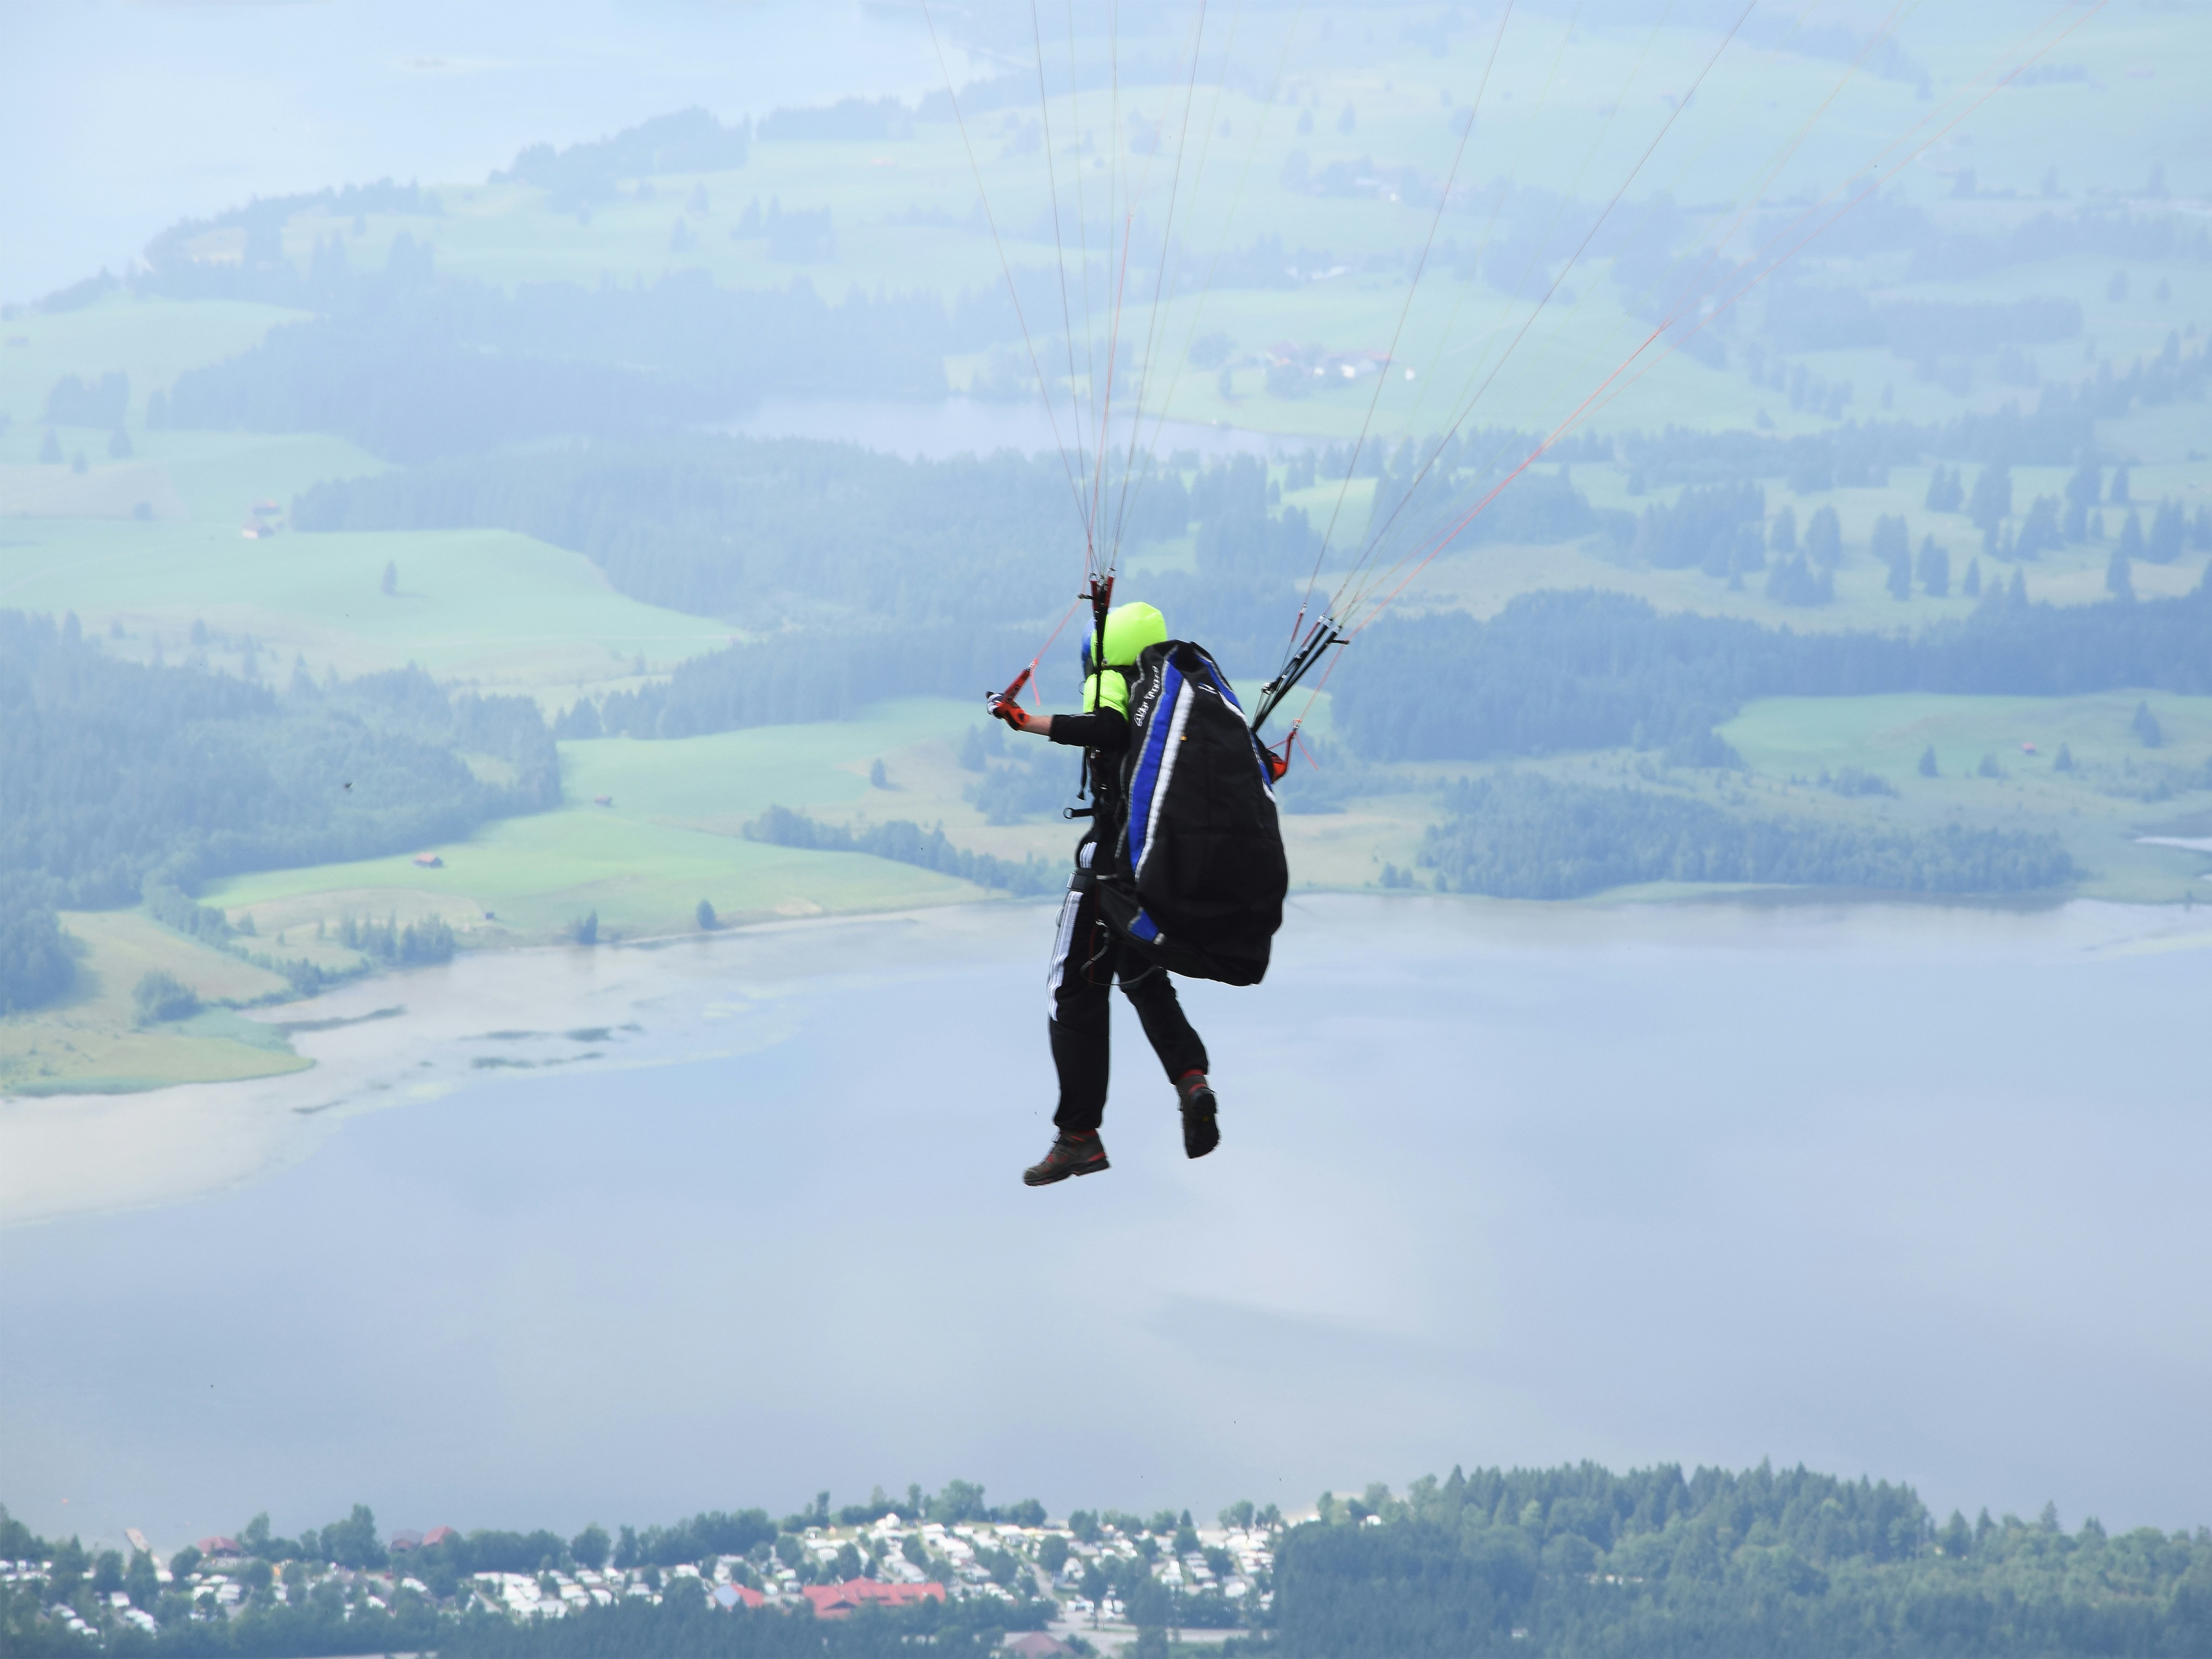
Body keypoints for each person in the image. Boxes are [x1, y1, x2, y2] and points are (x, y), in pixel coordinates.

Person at [989, 601, 1219, 1186]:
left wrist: (1028, 722)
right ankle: (1191, 1078)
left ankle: (1078, 1138)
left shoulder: (1113, 684)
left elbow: (1108, 729)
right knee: (1142, 979)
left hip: (1111, 868)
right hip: (1158, 869)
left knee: (1072, 991)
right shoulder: (1177, 688)